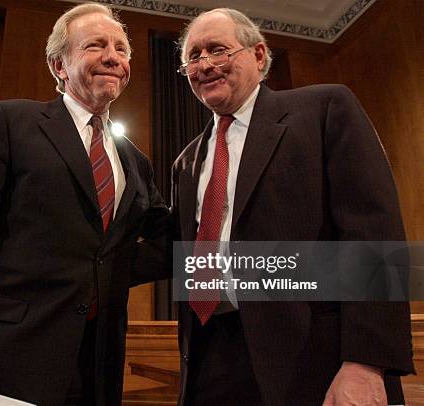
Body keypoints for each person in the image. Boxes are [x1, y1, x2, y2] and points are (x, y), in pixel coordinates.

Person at [0, 4, 167, 406]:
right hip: (4, 359)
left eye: (121, 48)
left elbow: (150, 246)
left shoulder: (135, 161)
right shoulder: (10, 122)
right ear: (58, 66)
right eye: (96, 45)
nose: (113, 56)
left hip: (96, 369)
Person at [171, 7, 413, 406]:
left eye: (218, 50)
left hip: (315, 360)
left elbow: (372, 234)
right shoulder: (185, 161)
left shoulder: (323, 109)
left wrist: (367, 363)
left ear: (259, 55)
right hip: (209, 358)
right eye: (193, 57)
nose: (205, 65)